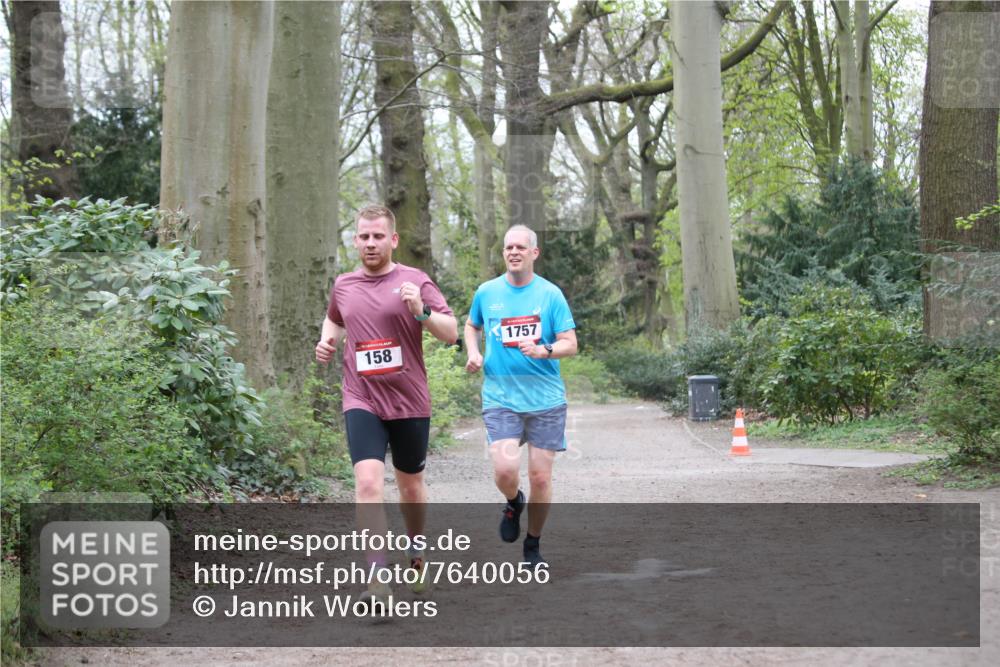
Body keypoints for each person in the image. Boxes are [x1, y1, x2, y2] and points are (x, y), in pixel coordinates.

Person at [316, 204, 457, 604]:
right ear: (356, 239)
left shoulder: (415, 280)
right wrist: (327, 340)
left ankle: (416, 550)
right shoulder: (343, 284)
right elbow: (336, 318)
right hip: (361, 397)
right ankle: (377, 577)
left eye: (379, 236)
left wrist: (422, 311)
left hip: (409, 400)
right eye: (364, 236)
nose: (371, 243)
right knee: (367, 484)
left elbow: (449, 332)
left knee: (410, 487)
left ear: (393, 240)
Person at [464, 224, 578, 567]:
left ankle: (533, 544)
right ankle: (514, 501)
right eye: (507, 248)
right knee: (504, 469)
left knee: (541, 476)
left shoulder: (550, 295)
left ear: (534, 253)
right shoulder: (487, 292)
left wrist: (544, 350)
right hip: (501, 397)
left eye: (519, 247)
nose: (513, 252)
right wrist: (473, 352)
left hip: (545, 399)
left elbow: (571, 344)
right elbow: (472, 325)